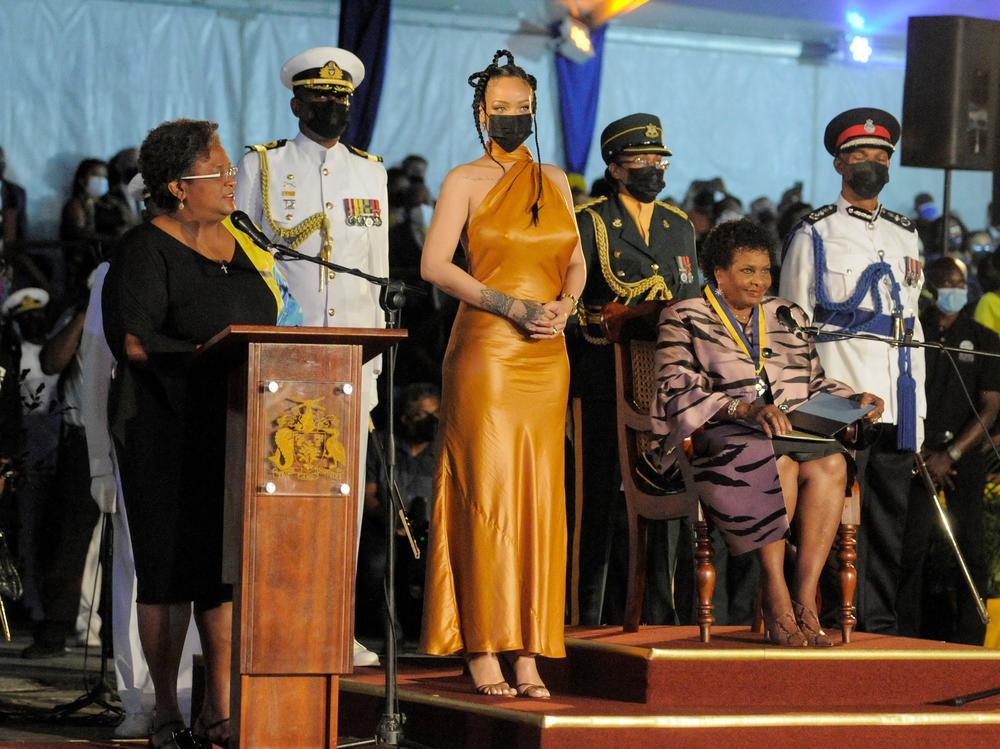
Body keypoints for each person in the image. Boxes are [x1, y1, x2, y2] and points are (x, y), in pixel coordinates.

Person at [102, 118, 301, 749]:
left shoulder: (245, 243)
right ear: (177, 187)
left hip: (239, 428)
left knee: (224, 576)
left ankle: (219, 708)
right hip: (163, 429)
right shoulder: (143, 250)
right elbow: (134, 340)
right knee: (168, 573)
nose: (231, 179)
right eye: (218, 170)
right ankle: (164, 711)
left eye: (229, 170)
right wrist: (205, 352)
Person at [419, 49, 585, 698]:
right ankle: (482, 643)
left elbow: (575, 258)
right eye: (501, 109)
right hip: (487, 348)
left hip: (548, 351)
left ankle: (529, 648)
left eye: (523, 109)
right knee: (486, 492)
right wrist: (506, 304)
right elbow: (437, 265)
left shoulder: (557, 179)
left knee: (539, 496)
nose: (512, 118)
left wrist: (565, 307)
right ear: (481, 113)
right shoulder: (463, 179)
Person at [653, 219, 884, 645]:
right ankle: (774, 592)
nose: (760, 281)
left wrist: (854, 400)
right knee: (776, 461)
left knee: (832, 462)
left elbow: (813, 382)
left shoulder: (785, 314)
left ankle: (804, 599)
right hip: (717, 436)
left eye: (765, 271)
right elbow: (675, 385)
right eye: (747, 271)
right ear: (718, 273)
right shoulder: (684, 316)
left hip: (788, 432)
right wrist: (742, 410)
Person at [234, 46, 388, 667]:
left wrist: (374, 361)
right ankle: (273, 621)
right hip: (285, 354)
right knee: (279, 487)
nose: (333, 106)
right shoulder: (262, 165)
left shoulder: (370, 172)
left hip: (353, 352)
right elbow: (245, 259)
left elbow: (377, 270)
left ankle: (335, 624)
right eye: (320, 96)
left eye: (342, 97)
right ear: (295, 102)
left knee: (344, 499)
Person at [780, 107, 926, 634]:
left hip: (897, 390)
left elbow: (911, 323)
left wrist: (919, 411)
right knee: (832, 516)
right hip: (839, 394)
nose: (872, 163)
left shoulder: (906, 233)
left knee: (889, 518)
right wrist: (808, 404)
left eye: (881, 155)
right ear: (840, 163)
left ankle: (878, 623)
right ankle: (817, 614)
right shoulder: (815, 232)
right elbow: (791, 324)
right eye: (861, 155)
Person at [570, 113, 698, 626]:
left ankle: (662, 619)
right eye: (642, 160)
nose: (654, 168)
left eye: (659, 159)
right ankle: (583, 617)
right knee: (595, 500)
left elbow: (688, 301)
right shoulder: (591, 221)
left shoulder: (678, 224)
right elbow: (573, 305)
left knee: (665, 498)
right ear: (616, 168)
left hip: (665, 382)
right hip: (602, 371)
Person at [898, 257, 1000, 644]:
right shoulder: (911, 333)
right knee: (912, 549)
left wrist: (952, 454)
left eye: (960, 282)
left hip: (963, 459)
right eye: (945, 283)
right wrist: (920, 451)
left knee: (972, 549)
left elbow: (990, 407)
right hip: (918, 458)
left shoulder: (985, 338)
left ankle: (971, 638)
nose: (955, 289)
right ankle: (905, 633)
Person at [357, 383, 440, 642]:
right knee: (377, 562)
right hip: (385, 525)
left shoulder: (441, 448)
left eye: (435, 415)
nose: (431, 421)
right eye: (422, 415)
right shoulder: (381, 444)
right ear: (405, 418)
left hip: (429, 531)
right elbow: (368, 493)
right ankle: (385, 632)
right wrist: (389, 519)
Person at [97, 147, 142, 238]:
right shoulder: (108, 194)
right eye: (131, 162)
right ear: (118, 166)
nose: (137, 167)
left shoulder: (143, 192)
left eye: (140, 162)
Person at [0, 145, 28, 247]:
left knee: (46, 261)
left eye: (1, 162)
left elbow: (21, 232)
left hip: (8, 252)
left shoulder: (15, 193)